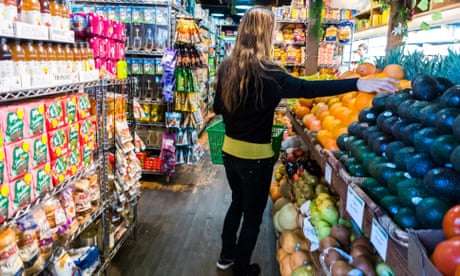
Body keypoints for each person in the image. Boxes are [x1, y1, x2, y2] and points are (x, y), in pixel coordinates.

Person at [212, 7, 397, 276]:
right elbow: (308, 89)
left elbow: (218, 107)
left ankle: (225, 257)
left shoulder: (227, 68)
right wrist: (357, 84)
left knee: (236, 204)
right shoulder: (270, 73)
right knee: (252, 217)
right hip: (256, 157)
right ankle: (241, 269)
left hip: (230, 151)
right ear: (266, 35)